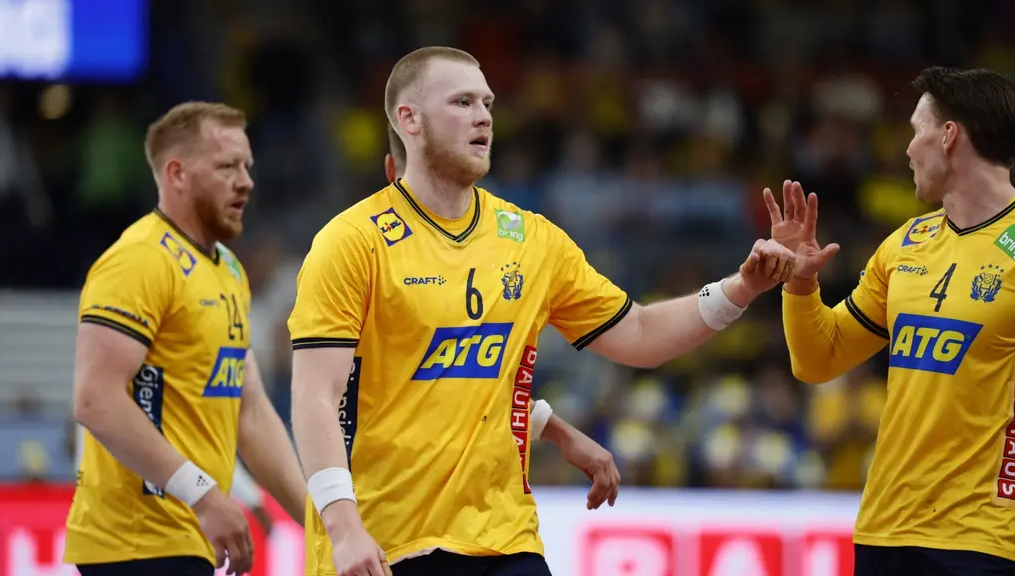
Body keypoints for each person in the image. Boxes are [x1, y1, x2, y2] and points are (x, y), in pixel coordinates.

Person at [290, 46, 795, 576]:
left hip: (504, 538)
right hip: (389, 544)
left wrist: (741, 287)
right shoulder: (352, 242)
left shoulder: (531, 239)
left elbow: (641, 333)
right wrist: (343, 529)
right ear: (408, 120)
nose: (484, 115)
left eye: (486, 102)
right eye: (462, 102)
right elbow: (315, 396)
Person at [765, 66, 1015, 576]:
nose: (906, 149)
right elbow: (819, 361)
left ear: (948, 137)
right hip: (886, 530)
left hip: (986, 537)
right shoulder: (904, 244)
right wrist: (799, 284)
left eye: (915, 130)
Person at [64, 102, 308, 576]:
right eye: (226, 166)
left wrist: (322, 527)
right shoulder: (139, 259)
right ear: (176, 173)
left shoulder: (229, 269)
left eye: (247, 166)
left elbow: (250, 412)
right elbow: (94, 399)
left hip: (188, 541)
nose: (246, 181)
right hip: (135, 542)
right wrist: (202, 494)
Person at [384, 120, 625, 509]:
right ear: (394, 175)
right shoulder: (370, 260)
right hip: (396, 512)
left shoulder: (502, 255)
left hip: (488, 522)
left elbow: (467, 390)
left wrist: (559, 431)